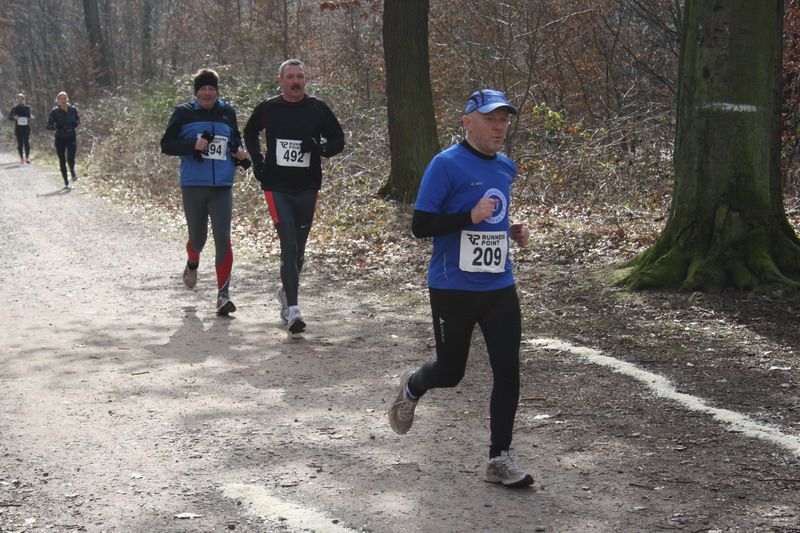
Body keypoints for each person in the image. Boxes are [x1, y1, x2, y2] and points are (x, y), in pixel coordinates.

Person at [388, 89, 534, 488]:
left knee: (508, 369)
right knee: (451, 373)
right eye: (490, 120)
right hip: (453, 286)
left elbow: (490, 219)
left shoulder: (505, 167)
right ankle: (413, 385)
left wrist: (511, 229)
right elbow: (421, 225)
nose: (499, 127)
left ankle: (498, 458)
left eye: (504, 120)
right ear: (468, 122)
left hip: (499, 284)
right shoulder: (445, 164)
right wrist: (469, 216)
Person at [243, 59, 345, 334]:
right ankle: (293, 310)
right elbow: (250, 132)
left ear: (305, 80)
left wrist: (320, 149)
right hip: (276, 186)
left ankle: (286, 293)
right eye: (290, 77)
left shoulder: (317, 108)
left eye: (300, 76)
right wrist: (258, 160)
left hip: (307, 187)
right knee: (288, 246)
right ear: (281, 81)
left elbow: (338, 140)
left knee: (299, 250)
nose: (296, 81)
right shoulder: (268, 107)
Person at [160, 68, 247, 315]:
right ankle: (192, 262)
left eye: (211, 89)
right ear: (196, 92)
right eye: (203, 89)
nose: (207, 94)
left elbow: (235, 139)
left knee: (223, 238)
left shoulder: (228, 112)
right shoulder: (183, 112)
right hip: (193, 185)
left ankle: (223, 296)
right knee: (198, 240)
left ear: (217, 91)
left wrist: (239, 152)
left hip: (222, 186)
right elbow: (166, 145)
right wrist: (192, 144)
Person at [46, 91, 80, 188]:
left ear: (67, 99)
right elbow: (49, 125)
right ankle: (66, 182)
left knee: (71, 157)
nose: (63, 100)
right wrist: (56, 127)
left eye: (65, 98)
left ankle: (72, 171)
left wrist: (75, 123)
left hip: (71, 135)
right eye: (61, 99)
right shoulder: (55, 111)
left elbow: (78, 119)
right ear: (58, 101)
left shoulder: (73, 109)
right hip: (60, 137)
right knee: (62, 160)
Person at [8, 94, 32, 164]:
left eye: (21, 99)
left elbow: (29, 115)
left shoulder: (27, 107)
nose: (20, 100)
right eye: (18, 99)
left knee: (26, 141)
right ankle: (21, 158)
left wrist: (31, 117)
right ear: (17, 100)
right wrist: (14, 118)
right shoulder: (15, 108)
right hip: (18, 128)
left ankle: (27, 158)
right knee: (20, 143)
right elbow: (9, 117)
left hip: (26, 127)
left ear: (23, 100)